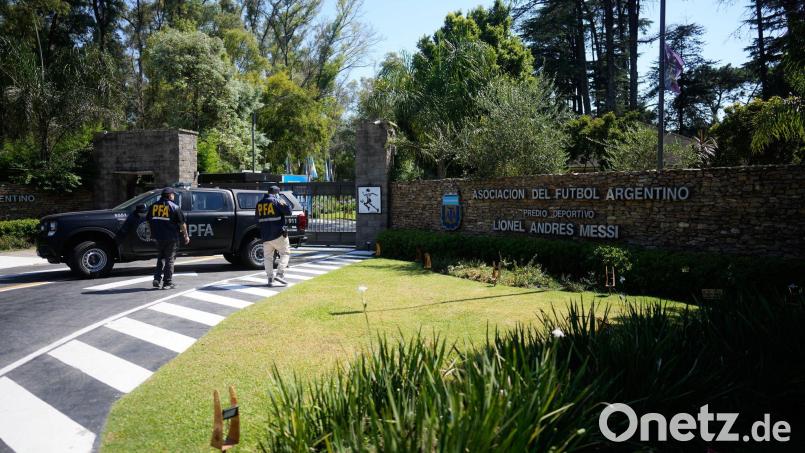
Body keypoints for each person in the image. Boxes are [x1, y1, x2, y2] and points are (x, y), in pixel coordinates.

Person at [147, 187, 189, 289]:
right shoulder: (174, 207)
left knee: (160, 258)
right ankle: (167, 282)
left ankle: (157, 278)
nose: (174, 196)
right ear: (170, 195)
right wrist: (186, 235)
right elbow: (182, 223)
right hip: (171, 238)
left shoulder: (153, 206)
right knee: (169, 259)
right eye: (173, 194)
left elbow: (148, 220)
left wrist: (151, 233)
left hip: (158, 237)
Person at [255, 185, 292, 287]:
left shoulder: (259, 203)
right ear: (276, 193)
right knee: (285, 253)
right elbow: (289, 211)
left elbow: (257, 222)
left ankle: (270, 279)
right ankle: (280, 274)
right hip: (278, 234)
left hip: (265, 236)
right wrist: (280, 199)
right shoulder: (277, 201)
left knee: (268, 258)